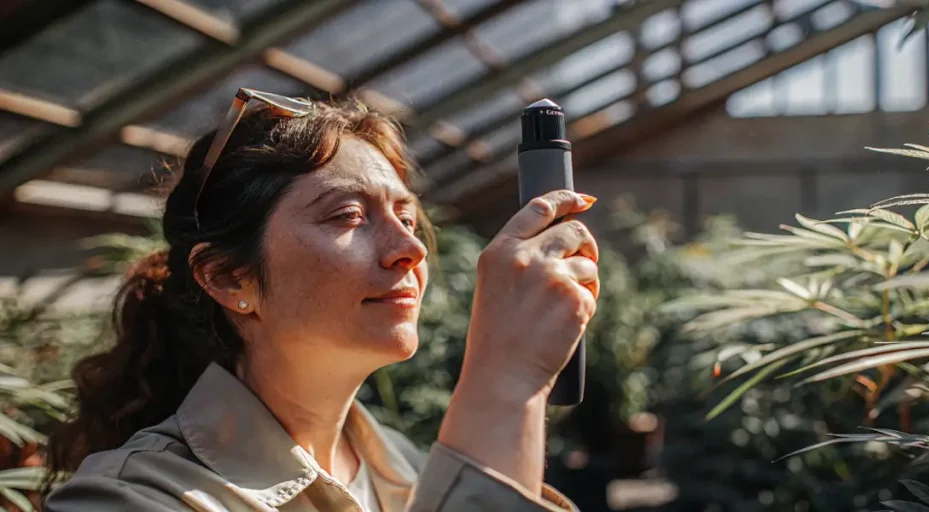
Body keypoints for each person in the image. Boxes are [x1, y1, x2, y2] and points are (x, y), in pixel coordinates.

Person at [41, 89, 599, 511]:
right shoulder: (132, 499)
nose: (409, 248)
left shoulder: (403, 469)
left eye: (406, 217)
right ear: (229, 278)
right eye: (348, 216)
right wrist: (504, 378)